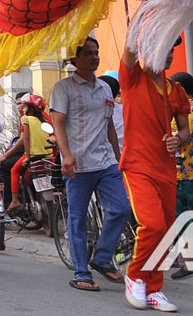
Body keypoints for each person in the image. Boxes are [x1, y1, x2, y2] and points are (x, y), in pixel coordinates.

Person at [50, 37, 128, 292]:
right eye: (88, 53)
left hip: (106, 162)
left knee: (121, 209)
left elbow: (108, 126)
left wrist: (119, 157)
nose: (94, 57)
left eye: (96, 53)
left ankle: (102, 257)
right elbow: (58, 123)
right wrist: (66, 155)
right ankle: (82, 272)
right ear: (75, 59)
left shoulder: (105, 89)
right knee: (77, 219)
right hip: (78, 165)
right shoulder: (64, 88)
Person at [118, 36, 189, 312]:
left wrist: (178, 140)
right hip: (137, 166)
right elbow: (128, 47)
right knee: (154, 225)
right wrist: (144, 9)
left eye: (171, 49)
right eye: (163, 47)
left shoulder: (177, 90)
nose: (168, 53)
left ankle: (153, 288)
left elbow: (184, 130)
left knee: (165, 232)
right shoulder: (132, 78)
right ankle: (135, 275)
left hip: (166, 167)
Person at [168, 72, 193, 282]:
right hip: (188, 171)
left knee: (188, 216)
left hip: (187, 172)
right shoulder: (192, 107)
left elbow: (180, 138)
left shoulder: (190, 110)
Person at [2, 94, 51, 213]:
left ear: (30, 107)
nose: (21, 108)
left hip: (33, 155)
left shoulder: (25, 119)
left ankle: (14, 201)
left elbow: (26, 140)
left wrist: (27, 157)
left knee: (14, 170)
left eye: (23, 105)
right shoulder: (43, 120)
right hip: (47, 155)